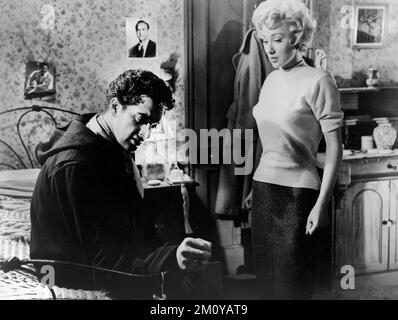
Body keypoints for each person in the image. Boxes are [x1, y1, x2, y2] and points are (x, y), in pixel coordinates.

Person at [30, 69, 212, 299]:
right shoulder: (75, 167)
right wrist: (168, 259)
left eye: (152, 125)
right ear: (115, 106)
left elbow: (134, 226)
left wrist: (171, 255)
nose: (145, 134)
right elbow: (102, 263)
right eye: (141, 119)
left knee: (196, 284)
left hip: (107, 260)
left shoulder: (112, 145)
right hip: (69, 276)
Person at [244, 0, 343, 299]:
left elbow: (336, 148)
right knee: (265, 283)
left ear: (297, 38)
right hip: (263, 191)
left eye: (278, 40)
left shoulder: (319, 81)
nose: (269, 49)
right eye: (265, 41)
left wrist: (321, 204)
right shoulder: (271, 80)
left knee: (291, 286)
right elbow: (268, 137)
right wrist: (252, 186)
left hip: (299, 196)